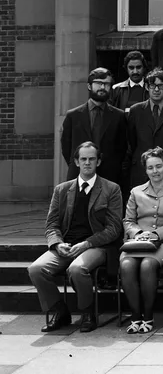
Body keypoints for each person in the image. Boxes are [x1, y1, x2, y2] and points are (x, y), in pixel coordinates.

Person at [29, 142, 123, 333]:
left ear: (98, 161)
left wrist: (88, 243)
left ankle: (87, 312)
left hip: (96, 246)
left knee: (77, 268)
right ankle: (59, 310)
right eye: (83, 159)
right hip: (66, 245)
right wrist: (57, 243)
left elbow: (114, 228)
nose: (87, 163)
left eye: (91, 159)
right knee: (36, 269)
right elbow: (52, 224)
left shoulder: (111, 189)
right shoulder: (62, 190)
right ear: (76, 162)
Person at [120, 147, 163, 334]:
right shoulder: (136, 192)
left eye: (159, 166)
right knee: (126, 265)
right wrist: (138, 233)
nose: (155, 171)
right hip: (137, 242)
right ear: (146, 170)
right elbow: (128, 220)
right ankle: (135, 316)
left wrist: (156, 235)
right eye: (150, 168)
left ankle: (148, 316)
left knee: (148, 265)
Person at [61, 68, 128, 184]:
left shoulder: (119, 116)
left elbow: (122, 148)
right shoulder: (73, 115)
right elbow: (66, 148)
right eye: (98, 83)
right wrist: (81, 164)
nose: (102, 87)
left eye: (106, 84)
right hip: (79, 176)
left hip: (109, 177)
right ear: (89, 86)